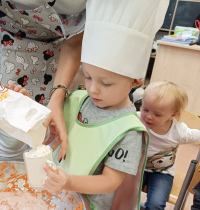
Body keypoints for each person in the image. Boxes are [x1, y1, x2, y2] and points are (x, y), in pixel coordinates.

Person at [42, 1, 170, 209]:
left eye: (106, 83)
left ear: (136, 80)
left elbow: (110, 182)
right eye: (89, 76)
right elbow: (50, 135)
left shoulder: (129, 131)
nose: (93, 89)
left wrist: (69, 181)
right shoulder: (78, 99)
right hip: (56, 198)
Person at [0, 0, 87, 161]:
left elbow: (75, 42)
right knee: (11, 136)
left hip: (62, 38)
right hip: (4, 28)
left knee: (49, 130)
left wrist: (57, 97)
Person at [138, 81, 200, 210]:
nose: (149, 116)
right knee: (124, 195)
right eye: (145, 109)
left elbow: (196, 135)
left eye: (157, 114)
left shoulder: (178, 131)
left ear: (172, 115)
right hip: (136, 167)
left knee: (156, 204)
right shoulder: (135, 119)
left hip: (163, 173)